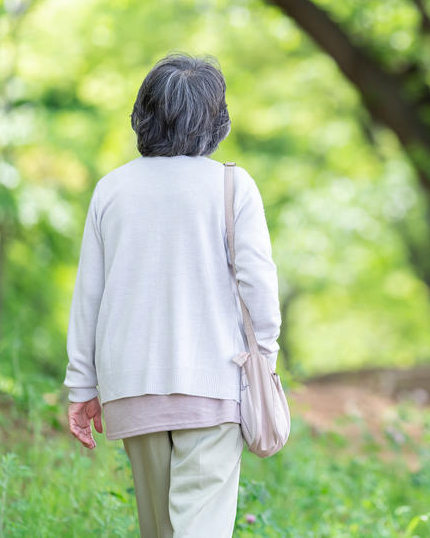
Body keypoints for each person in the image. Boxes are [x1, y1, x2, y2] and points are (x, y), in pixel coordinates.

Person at [63, 54, 283, 537]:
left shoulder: (111, 190)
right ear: (215, 120)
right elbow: (259, 284)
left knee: (160, 530)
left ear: (143, 114)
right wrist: (263, 358)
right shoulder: (232, 185)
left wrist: (82, 387)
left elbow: (89, 298)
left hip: (130, 386)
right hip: (214, 380)